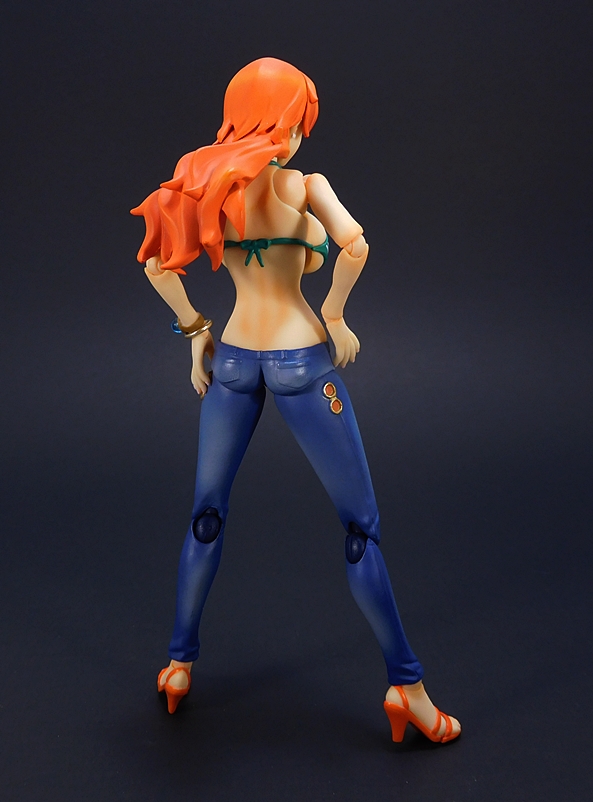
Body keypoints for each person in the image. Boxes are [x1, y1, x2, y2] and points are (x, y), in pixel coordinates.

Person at [131, 57, 460, 744]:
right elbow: (355, 245)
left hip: (232, 361)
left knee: (206, 515)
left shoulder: (205, 182)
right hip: (300, 361)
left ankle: (178, 666)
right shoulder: (305, 185)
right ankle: (407, 687)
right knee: (360, 527)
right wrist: (335, 315)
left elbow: (158, 264)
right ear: (289, 122)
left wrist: (195, 331)